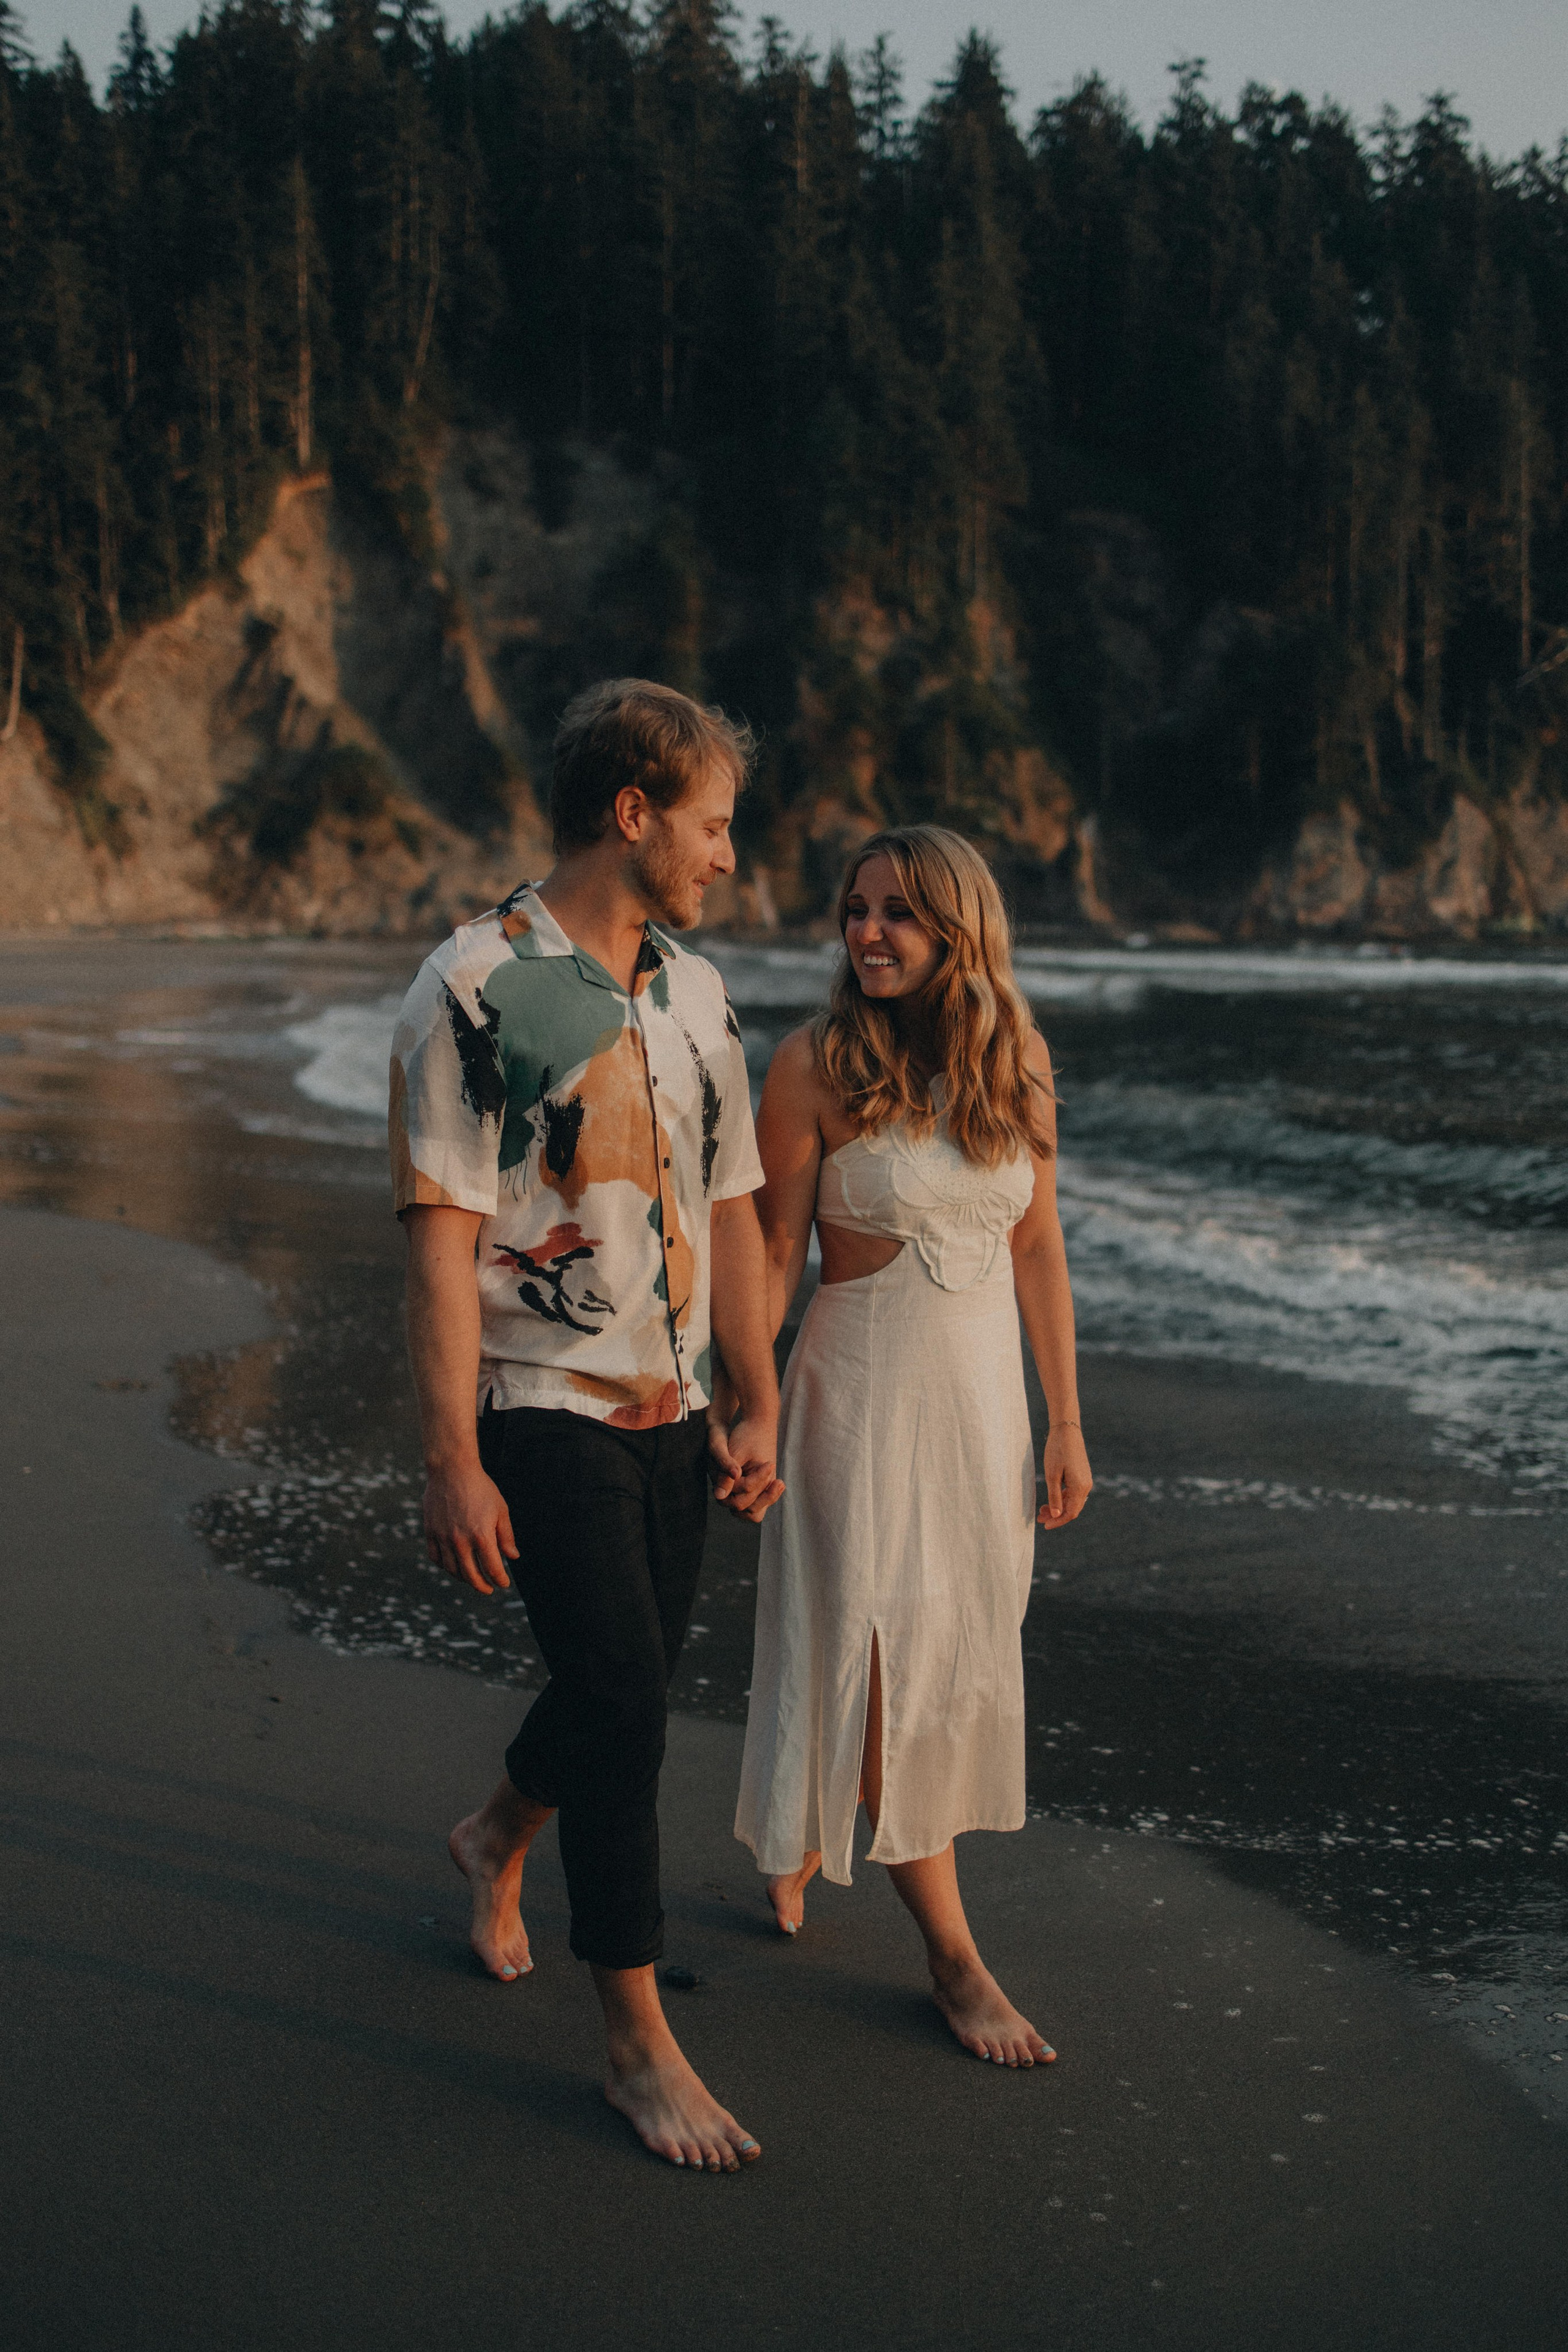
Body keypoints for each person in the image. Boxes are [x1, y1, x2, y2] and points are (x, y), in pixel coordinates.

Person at [390, 677, 783, 2171]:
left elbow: (733, 1205)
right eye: (710, 826)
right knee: (620, 1702)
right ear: (633, 813)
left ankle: (494, 1835)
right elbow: (438, 1237)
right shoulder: (474, 986)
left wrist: (751, 1390)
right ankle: (633, 2041)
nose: (724, 856)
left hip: (674, 1405)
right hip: (534, 1398)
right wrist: (448, 1457)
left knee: (618, 1690)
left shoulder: (693, 991)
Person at [733, 823, 1093, 2068]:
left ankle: (793, 1831)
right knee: (875, 1650)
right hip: (859, 1399)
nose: (869, 932)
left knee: (946, 1652)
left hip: (985, 1409)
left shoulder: (1018, 1061)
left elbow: (1036, 1250)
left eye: (898, 912)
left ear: (958, 929)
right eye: (855, 910)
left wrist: (1065, 1424)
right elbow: (774, 1252)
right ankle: (953, 1960)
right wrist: (752, 1400)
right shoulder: (809, 1065)